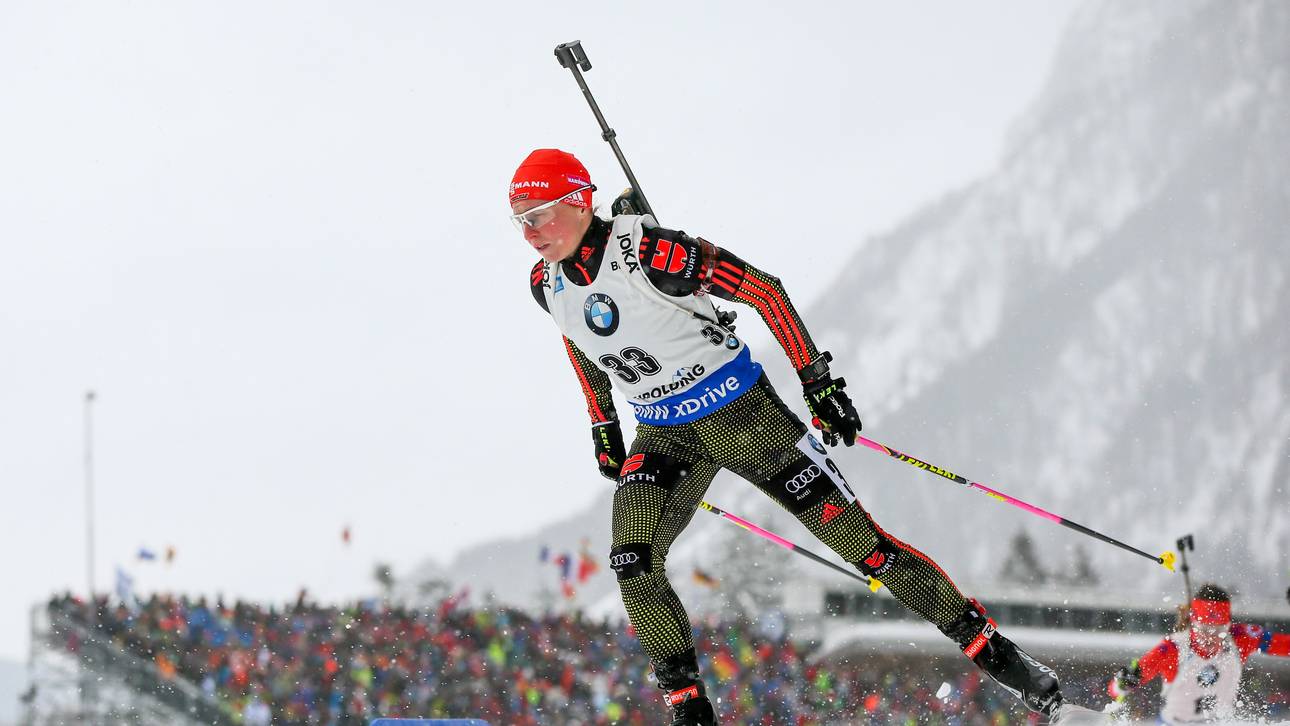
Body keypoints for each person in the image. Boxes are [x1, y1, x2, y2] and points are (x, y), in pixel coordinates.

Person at [510, 148, 1066, 724]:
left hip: (747, 420)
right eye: (520, 220)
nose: (530, 233)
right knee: (632, 559)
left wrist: (817, 383)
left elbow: (763, 290)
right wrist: (603, 421)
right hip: (663, 432)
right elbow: (579, 338)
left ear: (579, 200)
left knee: (867, 551)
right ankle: (692, 713)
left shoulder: (652, 252)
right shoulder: (544, 282)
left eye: (540, 214)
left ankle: (999, 656)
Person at [1107, 584, 1290, 723]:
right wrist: (1123, 682)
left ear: (1228, 625)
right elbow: (1116, 690)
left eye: (1219, 630)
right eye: (1203, 629)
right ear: (1192, 623)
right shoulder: (1172, 649)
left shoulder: (1241, 638)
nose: (1210, 637)